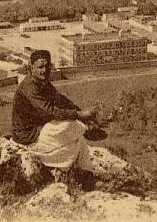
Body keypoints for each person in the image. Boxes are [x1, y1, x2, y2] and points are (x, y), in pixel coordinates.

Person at [12, 50, 96, 188]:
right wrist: (80, 116)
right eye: (40, 67)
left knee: (80, 140)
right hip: (29, 137)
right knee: (71, 125)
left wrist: (82, 113)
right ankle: (85, 134)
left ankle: (88, 178)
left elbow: (61, 100)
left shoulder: (42, 82)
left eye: (47, 66)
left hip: (41, 129)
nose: (44, 70)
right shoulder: (29, 87)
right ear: (31, 67)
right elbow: (51, 111)